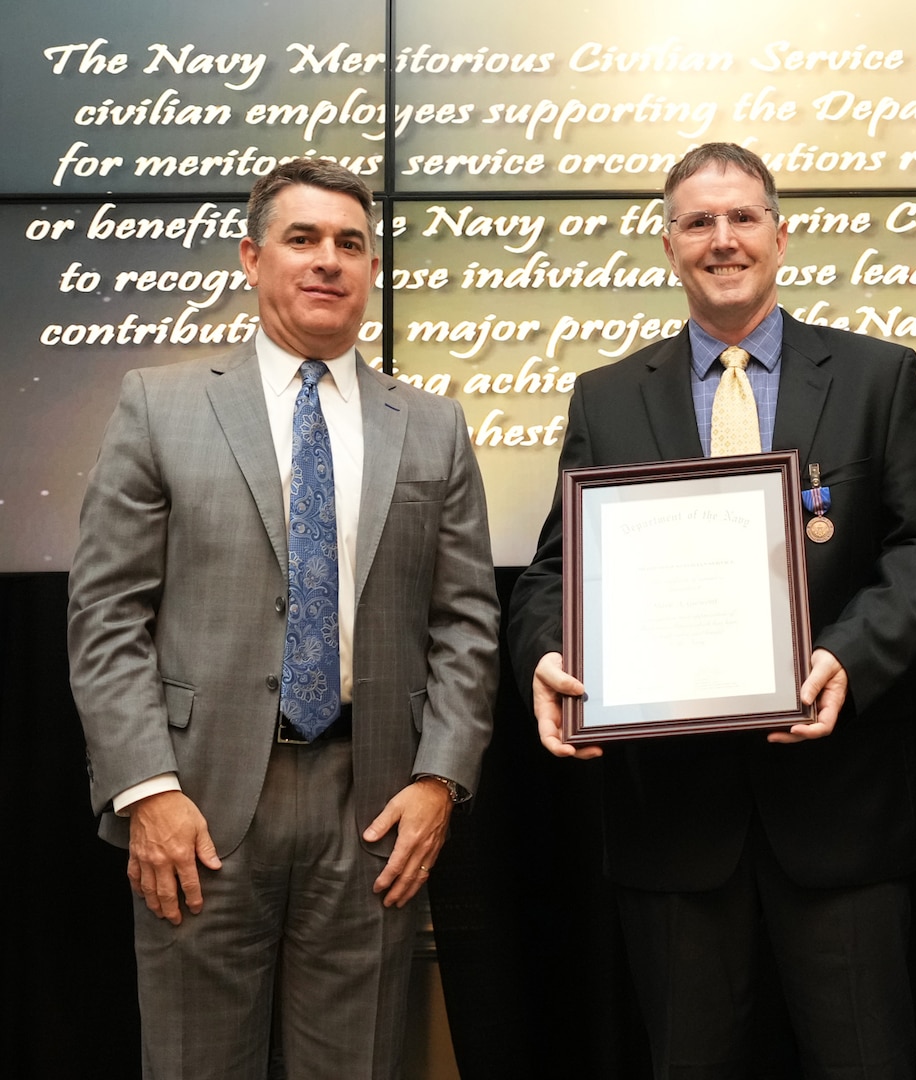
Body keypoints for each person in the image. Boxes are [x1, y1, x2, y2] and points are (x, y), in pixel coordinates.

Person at [507, 142, 916, 1079]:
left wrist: (847, 657)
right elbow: (556, 570)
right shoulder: (604, 396)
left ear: (780, 234)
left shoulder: (878, 377)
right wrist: (547, 656)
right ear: (668, 244)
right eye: (699, 222)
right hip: (672, 822)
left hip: (840, 810)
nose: (723, 240)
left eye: (743, 218)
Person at [67, 158, 501, 1079]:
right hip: (198, 808)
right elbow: (106, 614)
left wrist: (439, 781)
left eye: (350, 243)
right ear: (251, 258)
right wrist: (146, 789)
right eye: (301, 239)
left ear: (372, 268)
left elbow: (466, 622)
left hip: (374, 810)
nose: (327, 261)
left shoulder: (432, 425)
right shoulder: (160, 404)